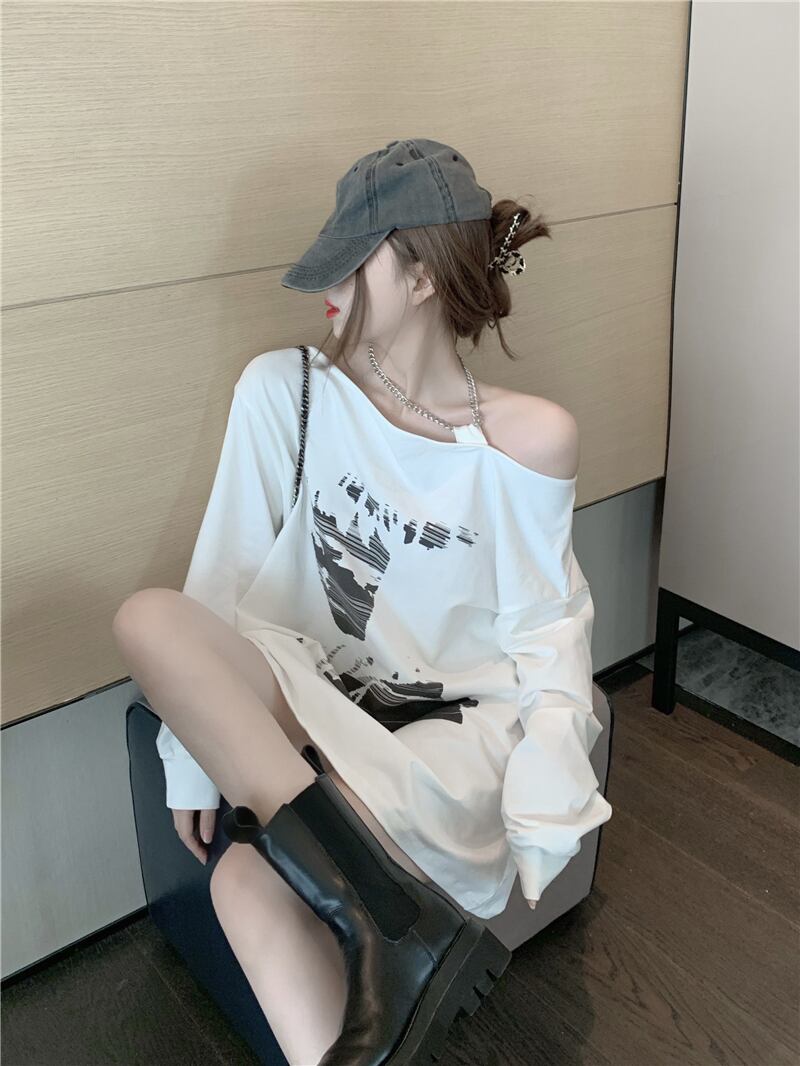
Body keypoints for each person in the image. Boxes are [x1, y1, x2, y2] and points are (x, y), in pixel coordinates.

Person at [113, 138, 613, 1066]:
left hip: (441, 728)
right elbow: (221, 579)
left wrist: (547, 796)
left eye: (354, 261)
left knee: (241, 888)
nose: (327, 287)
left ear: (421, 277)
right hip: (304, 699)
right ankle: (391, 919)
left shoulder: (527, 439)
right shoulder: (287, 392)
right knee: (147, 618)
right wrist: (190, 759)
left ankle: (386, 924)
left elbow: (547, 628)